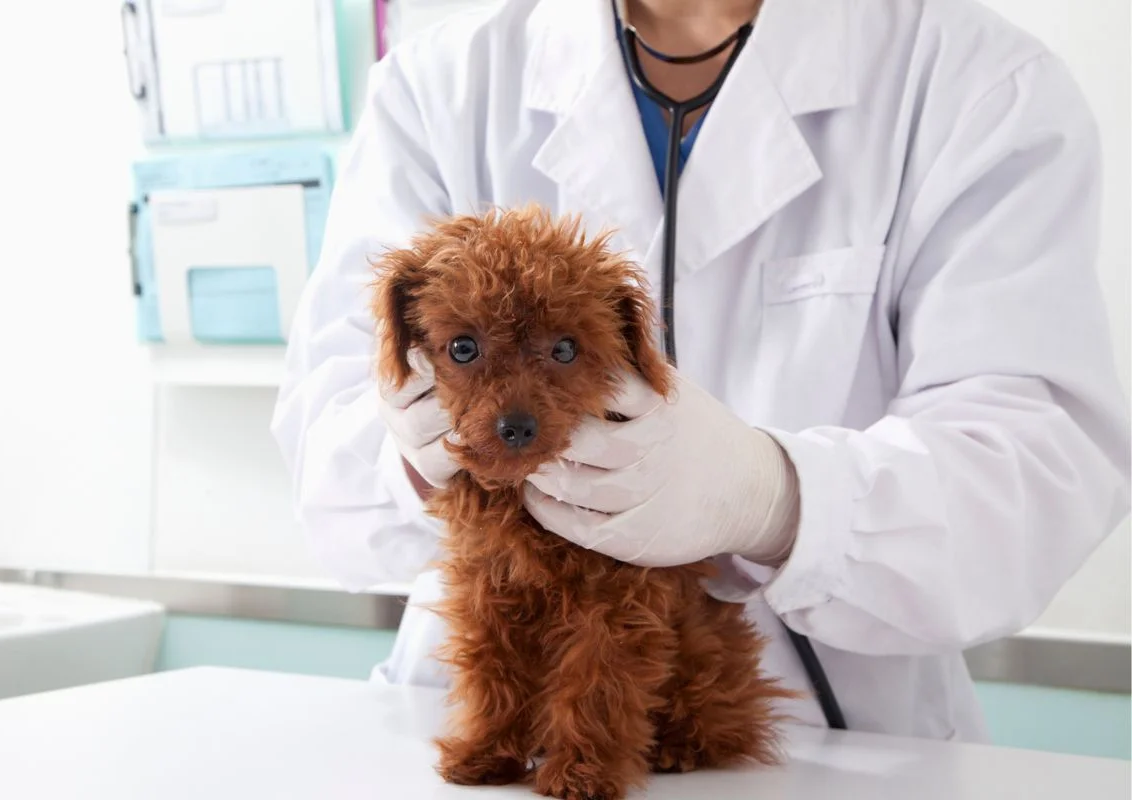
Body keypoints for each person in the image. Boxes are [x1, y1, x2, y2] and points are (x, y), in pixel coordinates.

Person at [271, 0, 1131, 743]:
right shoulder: (441, 86)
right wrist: (417, 455)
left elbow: (1034, 465)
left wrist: (774, 497)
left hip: (838, 744)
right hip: (499, 724)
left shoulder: (972, 80)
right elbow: (327, 446)